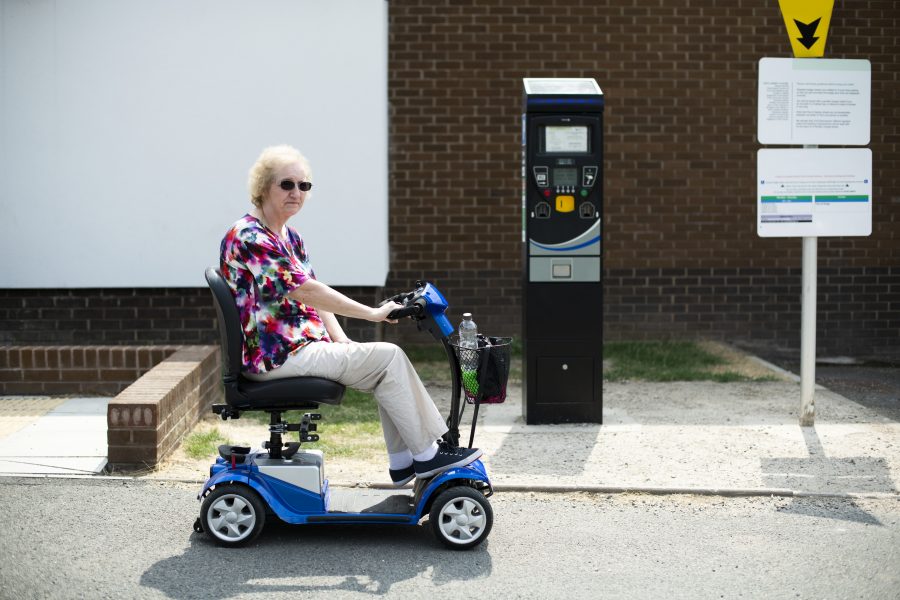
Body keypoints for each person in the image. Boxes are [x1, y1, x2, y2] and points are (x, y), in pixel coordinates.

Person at [220, 145, 481, 485]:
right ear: (263, 187)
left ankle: (405, 461)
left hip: (299, 348)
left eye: (304, 186)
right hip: (275, 356)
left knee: (384, 368)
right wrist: (372, 314)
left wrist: (341, 339)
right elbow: (305, 291)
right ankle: (428, 456)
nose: (296, 193)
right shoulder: (250, 236)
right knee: (389, 357)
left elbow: (314, 290)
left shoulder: (289, 237)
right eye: (287, 184)